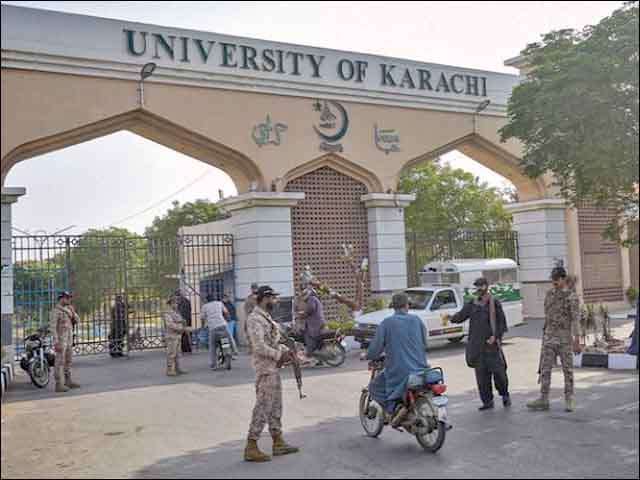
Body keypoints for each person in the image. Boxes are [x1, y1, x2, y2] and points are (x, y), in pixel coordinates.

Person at [244, 286, 299, 462]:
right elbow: (259, 346)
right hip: (265, 370)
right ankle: (251, 446)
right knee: (263, 407)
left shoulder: (265, 317)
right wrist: (279, 355)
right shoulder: (255, 319)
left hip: (273, 368)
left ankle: (278, 442)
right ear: (264, 298)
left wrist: (286, 351)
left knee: (275, 406)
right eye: (273, 298)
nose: (275, 301)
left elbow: (272, 342)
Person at [366, 292, 429, 426]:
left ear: (393, 307)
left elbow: (375, 349)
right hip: (421, 369)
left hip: (400, 371)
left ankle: (392, 410)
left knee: (374, 386)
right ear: (407, 306)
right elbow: (425, 343)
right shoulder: (417, 320)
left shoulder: (387, 323)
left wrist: (369, 355)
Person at [450, 278, 511, 411]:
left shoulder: (494, 303)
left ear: (486, 287)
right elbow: (461, 316)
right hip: (477, 348)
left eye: (481, 286)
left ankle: (505, 395)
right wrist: (450, 318)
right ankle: (487, 402)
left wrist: (495, 337)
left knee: (499, 374)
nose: (479, 289)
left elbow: (502, 324)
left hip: (492, 347)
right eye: (477, 286)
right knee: (482, 378)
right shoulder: (472, 304)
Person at [527, 266, 582, 412]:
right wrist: (545, 336)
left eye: (556, 279)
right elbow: (548, 315)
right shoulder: (549, 294)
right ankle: (544, 399)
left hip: (564, 339)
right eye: (552, 279)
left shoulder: (571, 297)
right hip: (549, 337)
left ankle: (569, 399)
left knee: (567, 370)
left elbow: (575, 319)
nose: (554, 282)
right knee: (545, 369)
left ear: (563, 279)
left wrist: (577, 340)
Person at [50, 291, 81, 393]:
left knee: (68, 360)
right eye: (67, 298)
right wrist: (56, 342)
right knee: (59, 362)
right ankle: (58, 384)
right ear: (61, 298)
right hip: (61, 340)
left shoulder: (68, 309)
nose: (69, 300)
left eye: (69, 298)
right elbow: (53, 328)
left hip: (69, 339)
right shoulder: (56, 311)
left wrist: (73, 312)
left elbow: (77, 320)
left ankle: (68, 381)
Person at [201, 293, 236, 369]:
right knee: (225, 343)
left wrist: (204, 325)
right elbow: (226, 313)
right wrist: (228, 320)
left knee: (212, 346)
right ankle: (229, 354)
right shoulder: (219, 303)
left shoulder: (205, 306)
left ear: (207, 300)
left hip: (213, 328)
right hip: (222, 326)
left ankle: (213, 364)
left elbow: (203, 318)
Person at [164, 295, 194, 376]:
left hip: (178, 335)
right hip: (171, 336)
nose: (176, 305)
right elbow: (170, 325)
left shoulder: (177, 312)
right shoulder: (168, 313)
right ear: (170, 304)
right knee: (171, 353)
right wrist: (182, 329)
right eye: (174, 303)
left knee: (178, 353)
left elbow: (181, 322)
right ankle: (170, 370)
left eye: (176, 303)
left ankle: (177, 368)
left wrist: (185, 327)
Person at [301, 286, 327, 365]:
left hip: (315, 324)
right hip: (318, 322)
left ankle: (309, 354)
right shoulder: (314, 299)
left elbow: (310, 309)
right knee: (317, 341)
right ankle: (319, 359)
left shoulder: (311, 299)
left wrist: (303, 314)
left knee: (308, 337)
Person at [109, 294, 131, 358]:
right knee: (116, 338)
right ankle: (114, 352)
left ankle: (118, 352)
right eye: (119, 299)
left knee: (119, 339)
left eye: (120, 299)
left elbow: (129, 306)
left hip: (120, 325)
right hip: (117, 325)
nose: (120, 300)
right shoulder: (115, 306)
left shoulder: (122, 305)